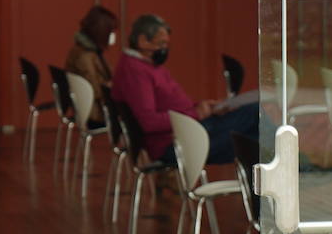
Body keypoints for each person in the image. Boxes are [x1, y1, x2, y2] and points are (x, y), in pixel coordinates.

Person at [111, 13, 260, 167]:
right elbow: (149, 122)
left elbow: (167, 105)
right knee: (256, 116)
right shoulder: (135, 71)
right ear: (143, 41)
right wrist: (196, 114)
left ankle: (257, 184)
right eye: (161, 44)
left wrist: (203, 107)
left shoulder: (144, 65)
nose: (164, 49)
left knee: (258, 136)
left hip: (186, 131)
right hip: (175, 143)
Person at [65, 6, 118, 128]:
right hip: (95, 113)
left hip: (91, 109)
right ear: (101, 31)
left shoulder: (87, 51)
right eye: (111, 31)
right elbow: (95, 89)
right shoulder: (85, 56)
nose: (113, 35)